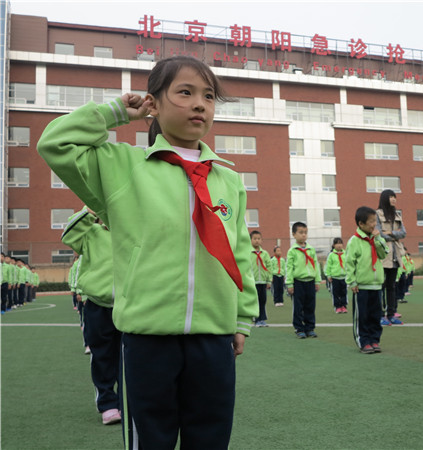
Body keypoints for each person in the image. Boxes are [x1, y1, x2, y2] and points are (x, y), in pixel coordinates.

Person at [38, 56, 259, 449]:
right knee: (150, 440)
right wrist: (116, 112)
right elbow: (54, 142)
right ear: (153, 104)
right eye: (185, 92)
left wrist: (241, 318)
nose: (200, 104)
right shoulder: (123, 166)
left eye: (209, 96)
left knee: (210, 437)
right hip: (147, 337)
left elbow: (239, 252)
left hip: (214, 336)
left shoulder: (228, 178)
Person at [61, 207, 122, 425]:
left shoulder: (130, 229)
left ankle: (127, 402)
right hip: (99, 304)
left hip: (130, 305)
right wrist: (89, 210)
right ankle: (107, 403)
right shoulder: (91, 232)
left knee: (131, 357)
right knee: (103, 355)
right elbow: (68, 234)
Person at [345, 206, 388, 354]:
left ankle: (374, 339)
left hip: (376, 285)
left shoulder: (376, 238)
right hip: (361, 286)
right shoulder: (354, 241)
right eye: (370, 222)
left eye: (375, 221)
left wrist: (377, 239)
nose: (374, 224)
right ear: (361, 224)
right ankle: (363, 341)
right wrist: (352, 281)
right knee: (362, 315)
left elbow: (384, 254)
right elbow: (349, 263)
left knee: (375, 315)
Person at [375, 189, 406, 325]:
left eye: (395, 197)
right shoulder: (377, 214)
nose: (394, 199)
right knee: (381, 285)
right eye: (391, 197)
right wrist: (393, 234)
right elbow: (378, 233)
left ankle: (392, 314)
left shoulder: (397, 215)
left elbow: (404, 233)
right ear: (384, 198)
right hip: (383, 253)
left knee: (392, 286)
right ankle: (380, 315)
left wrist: (391, 233)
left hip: (395, 253)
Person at [286, 221, 320, 339]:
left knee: (310, 306)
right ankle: (299, 328)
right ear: (294, 234)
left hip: (310, 282)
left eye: (305, 232)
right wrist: (289, 284)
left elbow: (316, 265)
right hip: (298, 282)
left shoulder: (311, 249)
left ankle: (310, 328)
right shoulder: (292, 251)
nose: (303, 235)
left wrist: (317, 281)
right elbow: (289, 268)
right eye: (300, 232)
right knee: (298, 306)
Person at [250, 230, 272, 327]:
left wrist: (269, 280)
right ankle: (256, 319)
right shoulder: (248, 253)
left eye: (259, 239)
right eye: (254, 239)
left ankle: (262, 319)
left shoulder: (265, 254)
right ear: (250, 240)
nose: (257, 241)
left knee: (262, 300)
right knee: (254, 301)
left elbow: (269, 267)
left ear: (261, 240)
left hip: (262, 281)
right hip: (252, 281)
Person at [325, 237, 348, 314]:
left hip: (344, 277)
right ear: (333, 245)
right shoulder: (331, 255)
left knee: (344, 292)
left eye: (340, 243)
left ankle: (344, 306)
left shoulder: (345, 254)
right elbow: (328, 266)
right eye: (337, 243)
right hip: (335, 277)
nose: (339, 245)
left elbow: (348, 265)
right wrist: (328, 275)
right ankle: (337, 306)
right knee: (335, 293)